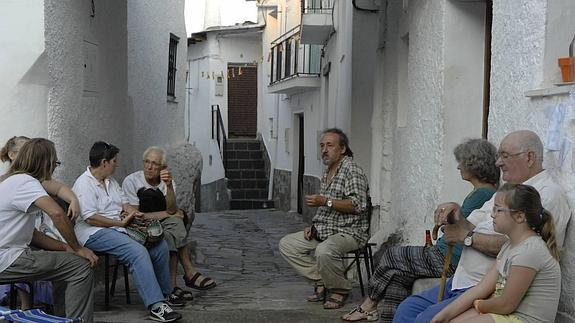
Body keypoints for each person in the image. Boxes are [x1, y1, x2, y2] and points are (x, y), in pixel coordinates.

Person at [393, 130, 571, 323]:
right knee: (407, 309)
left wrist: (466, 237)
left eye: (504, 155)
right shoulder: (506, 193)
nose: (498, 163)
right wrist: (456, 215)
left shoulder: (547, 195)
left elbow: (516, 249)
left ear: (529, 157)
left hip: (490, 290)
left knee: (425, 319)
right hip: (464, 282)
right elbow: (470, 225)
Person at [342, 138, 500, 322]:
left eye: (462, 162)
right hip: (444, 253)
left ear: (474, 164)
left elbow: (463, 230)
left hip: (448, 259)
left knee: (392, 255)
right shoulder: (481, 193)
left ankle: (369, 304)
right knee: (397, 277)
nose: (458, 167)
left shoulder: (483, 194)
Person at [72, 141, 184, 322]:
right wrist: (120, 223)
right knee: (137, 251)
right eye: (114, 161)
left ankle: (166, 294)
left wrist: (136, 214)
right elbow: (90, 218)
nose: (117, 164)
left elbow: (124, 203)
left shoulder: (111, 181)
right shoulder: (84, 183)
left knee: (159, 246)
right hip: (94, 232)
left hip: (118, 227)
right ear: (104, 163)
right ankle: (156, 305)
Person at [431, 184, 560, 323]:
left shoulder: (529, 251)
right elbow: (481, 288)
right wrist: (444, 315)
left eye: (498, 209)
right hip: (506, 314)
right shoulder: (509, 246)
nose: (492, 214)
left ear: (519, 216)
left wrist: (478, 304)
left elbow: (506, 305)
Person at [0, 138, 98, 322]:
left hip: (6, 257)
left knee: (68, 263)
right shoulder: (25, 182)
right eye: (55, 163)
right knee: (81, 266)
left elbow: (33, 235)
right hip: (7, 259)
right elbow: (57, 213)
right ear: (45, 163)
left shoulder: (11, 181)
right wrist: (78, 248)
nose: (54, 168)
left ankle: (61, 318)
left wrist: (65, 248)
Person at [279, 128, 370, 309]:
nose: (324, 150)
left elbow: (358, 205)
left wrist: (325, 201)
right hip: (326, 230)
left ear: (342, 149)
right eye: (322, 145)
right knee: (287, 244)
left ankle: (340, 289)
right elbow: (324, 211)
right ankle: (323, 280)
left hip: (350, 232)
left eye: (330, 145)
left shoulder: (351, 170)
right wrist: (313, 226)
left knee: (324, 250)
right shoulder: (328, 171)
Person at [122, 146, 215, 300]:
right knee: (174, 225)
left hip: (162, 223)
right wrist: (165, 214)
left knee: (175, 226)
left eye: (154, 164)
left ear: (162, 167)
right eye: (146, 162)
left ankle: (173, 285)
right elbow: (136, 216)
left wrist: (170, 186)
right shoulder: (132, 181)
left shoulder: (167, 182)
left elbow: (172, 209)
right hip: (141, 227)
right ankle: (186, 274)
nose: (149, 167)